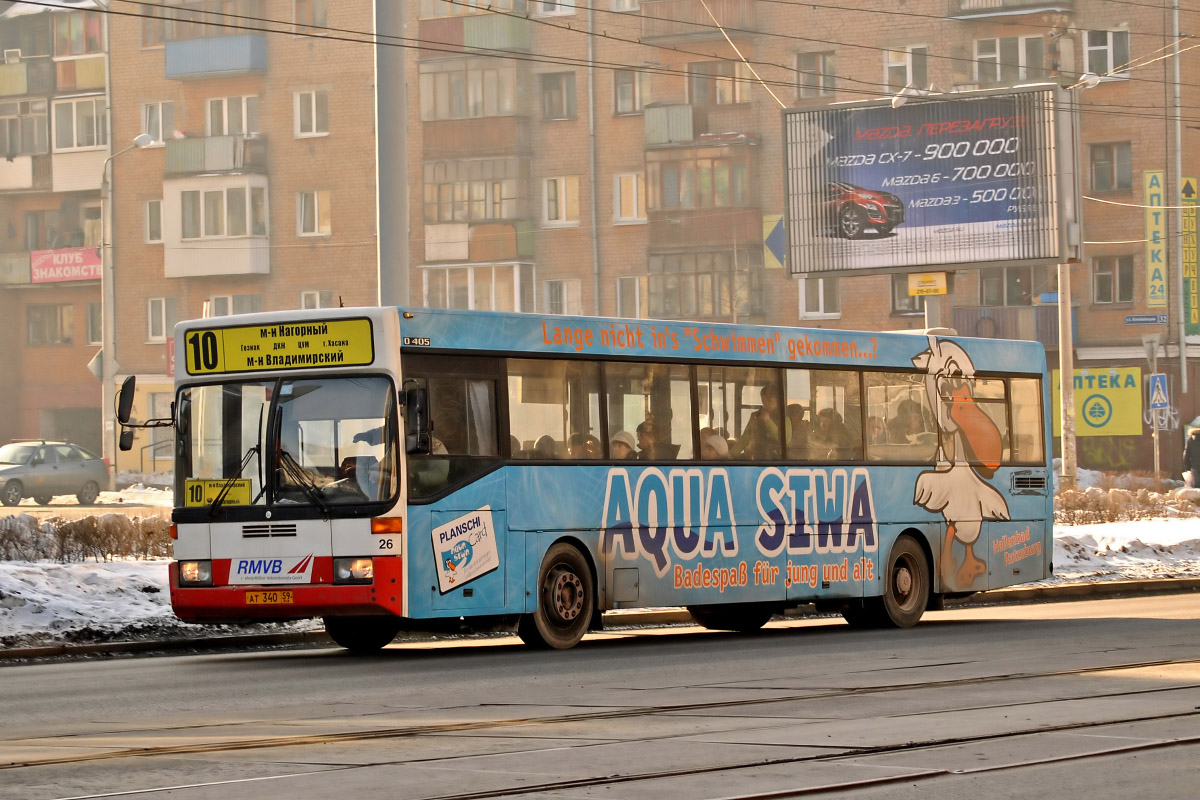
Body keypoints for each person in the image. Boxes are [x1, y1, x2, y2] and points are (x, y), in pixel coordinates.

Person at [734, 384, 782, 460]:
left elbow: (785, 441)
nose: (766, 404)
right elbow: (745, 437)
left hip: (778, 461)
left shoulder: (784, 418)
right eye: (763, 401)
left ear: (778, 401)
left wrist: (768, 421)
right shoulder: (756, 416)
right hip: (758, 458)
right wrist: (731, 455)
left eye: (769, 401)